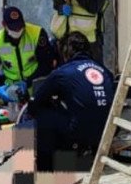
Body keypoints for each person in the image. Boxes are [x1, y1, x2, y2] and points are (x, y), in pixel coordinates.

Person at [28, 31, 115, 172]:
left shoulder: (63, 72)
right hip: (109, 132)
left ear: (66, 52)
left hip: (80, 132)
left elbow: (35, 103)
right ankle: (90, 151)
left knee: (43, 113)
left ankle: (46, 168)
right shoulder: (105, 71)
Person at [0, 6, 58, 131]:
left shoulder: (37, 34)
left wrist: (27, 83)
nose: (18, 30)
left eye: (20, 26)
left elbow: (46, 65)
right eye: (13, 27)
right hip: (11, 82)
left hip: (35, 80)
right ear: (4, 25)